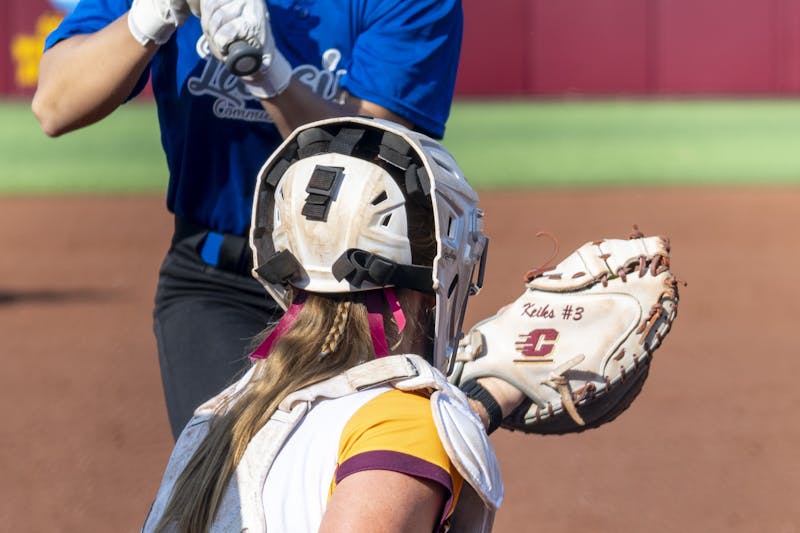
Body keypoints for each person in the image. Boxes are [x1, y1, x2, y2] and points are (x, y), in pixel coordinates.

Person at [32, 0, 464, 438]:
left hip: (364, 284)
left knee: (367, 455)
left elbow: (380, 159)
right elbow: (54, 104)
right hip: (218, 282)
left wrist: (269, 75)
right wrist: (152, 14)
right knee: (230, 465)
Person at [141, 116, 522, 532]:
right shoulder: (403, 425)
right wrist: (452, 425)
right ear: (435, 276)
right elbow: (386, 436)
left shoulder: (221, 415)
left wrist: (486, 401)